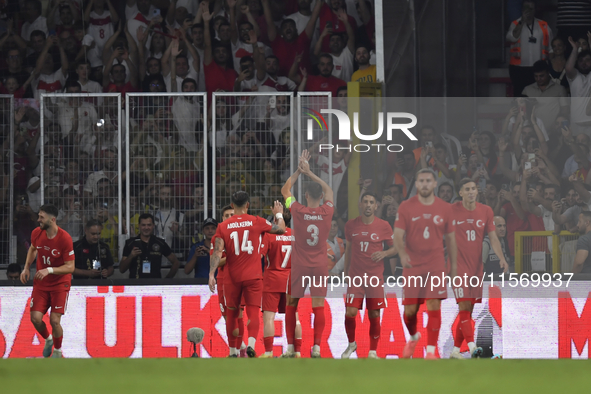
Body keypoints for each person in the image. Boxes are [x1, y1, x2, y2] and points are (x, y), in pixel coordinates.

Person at [209, 192, 286, 358]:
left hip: (231, 278)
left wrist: (210, 274)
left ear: (232, 205)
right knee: (252, 311)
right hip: (253, 276)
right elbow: (281, 230)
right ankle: (250, 344)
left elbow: (216, 252)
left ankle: (232, 351)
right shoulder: (256, 221)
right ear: (248, 205)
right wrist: (278, 214)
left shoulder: (223, 226)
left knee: (232, 313)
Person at [393, 169, 457, 359]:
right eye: (421, 181)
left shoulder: (445, 208)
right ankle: (413, 337)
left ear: (435, 183)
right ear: (417, 183)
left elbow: (451, 240)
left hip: (436, 264)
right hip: (413, 265)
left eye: (428, 180)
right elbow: (397, 235)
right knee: (410, 311)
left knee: (433, 305)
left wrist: (453, 267)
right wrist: (402, 253)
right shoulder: (406, 207)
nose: (425, 184)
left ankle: (430, 351)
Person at [281, 149, 334, 358]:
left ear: (305, 195)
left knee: (291, 305)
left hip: (300, 266)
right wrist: (311, 173)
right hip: (319, 265)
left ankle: (292, 349)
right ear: (320, 196)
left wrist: (299, 171)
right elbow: (329, 190)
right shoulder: (327, 211)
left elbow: (285, 190)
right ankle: (318, 347)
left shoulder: (297, 210)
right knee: (318, 307)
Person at [449, 179, 509, 360]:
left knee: (468, 311)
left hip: (476, 269)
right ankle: (473, 347)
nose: (470, 192)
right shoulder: (451, 211)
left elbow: (493, 238)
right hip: (457, 267)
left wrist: (502, 258)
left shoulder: (486, 211)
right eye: (466, 189)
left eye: (473, 188)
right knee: (464, 306)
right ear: (460, 192)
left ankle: (454, 351)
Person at [340, 192, 397, 359]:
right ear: (360, 204)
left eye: (371, 202)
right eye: (365, 201)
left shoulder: (384, 225)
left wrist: (384, 254)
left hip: (374, 278)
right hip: (356, 277)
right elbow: (349, 249)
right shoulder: (351, 225)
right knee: (350, 312)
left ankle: (373, 351)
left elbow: (396, 248)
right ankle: (351, 344)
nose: (368, 205)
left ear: (376, 206)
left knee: (374, 314)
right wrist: (345, 271)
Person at [20, 204, 75, 358]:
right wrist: (26, 268)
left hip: (59, 284)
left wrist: (49, 270)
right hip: (41, 284)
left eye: (41, 217)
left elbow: (70, 267)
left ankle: (57, 352)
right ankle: (49, 339)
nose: (38, 220)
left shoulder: (65, 238)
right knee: (35, 318)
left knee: (54, 321)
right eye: (39, 216)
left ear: (52, 219)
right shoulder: (37, 233)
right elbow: (32, 248)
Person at [259, 205, 298, 358]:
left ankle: (269, 352)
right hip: (291, 280)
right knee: (294, 316)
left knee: (269, 317)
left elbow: (259, 256)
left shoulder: (269, 235)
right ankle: (297, 351)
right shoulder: (296, 235)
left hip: (272, 281)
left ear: (276, 219)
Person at [506, 0, 553, 97]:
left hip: (538, 69)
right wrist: (522, 21)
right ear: (522, 10)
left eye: (531, 8)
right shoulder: (515, 24)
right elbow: (512, 37)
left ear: (535, 10)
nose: (528, 11)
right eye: (526, 8)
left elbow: (551, 49)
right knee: (520, 98)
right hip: (518, 69)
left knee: (539, 97)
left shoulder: (543, 25)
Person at [119, 213, 181, 279]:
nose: (146, 228)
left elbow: (176, 263)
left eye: (149, 225)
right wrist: (131, 256)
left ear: (153, 226)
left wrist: (166, 280)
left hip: (155, 285)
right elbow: (122, 269)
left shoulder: (160, 243)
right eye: (143, 225)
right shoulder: (130, 243)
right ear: (139, 226)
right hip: (136, 285)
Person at [522, 60, 569, 132]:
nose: (538, 79)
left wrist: (558, 127)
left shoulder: (559, 89)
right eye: (536, 76)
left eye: (541, 76)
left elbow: (565, 112)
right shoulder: (527, 90)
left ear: (548, 73)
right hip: (533, 132)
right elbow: (521, 112)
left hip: (554, 132)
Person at [566, 36, 591, 136]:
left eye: (587, 60)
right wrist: (575, 49)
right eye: (581, 60)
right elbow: (568, 68)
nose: (584, 63)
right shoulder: (575, 76)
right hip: (576, 123)